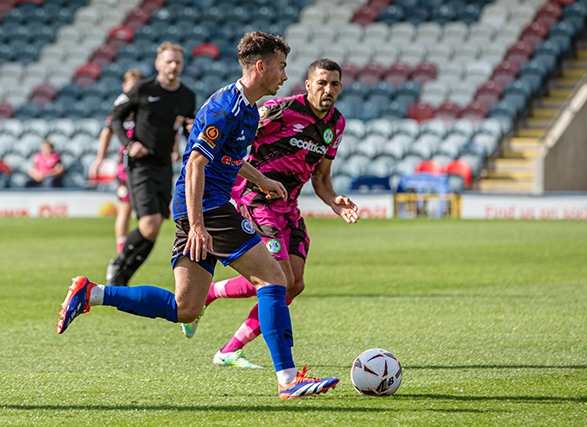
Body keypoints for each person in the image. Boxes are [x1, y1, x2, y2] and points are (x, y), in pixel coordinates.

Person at [56, 30, 340, 400]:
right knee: (274, 279)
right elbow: (194, 165)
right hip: (207, 206)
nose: (284, 76)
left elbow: (230, 159)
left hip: (201, 207)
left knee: (185, 308)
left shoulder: (250, 111)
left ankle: (92, 293)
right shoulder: (225, 106)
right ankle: (288, 380)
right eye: (281, 67)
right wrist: (199, 225)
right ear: (261, 66)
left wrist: (262, 179)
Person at [180, 59, 360, 370]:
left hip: (288, 206)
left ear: (340, 88)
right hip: (257, 199)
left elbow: (321, 177)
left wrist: (333, 201)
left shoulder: (336, 125)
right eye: (321, 83)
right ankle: (209, 298)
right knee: (278, 277)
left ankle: (229, 349)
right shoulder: (280, 110)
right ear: (308, 85)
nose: (327, 89)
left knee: (295, 284)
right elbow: (232, 136)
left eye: (333, 84)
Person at [106, 42, 196, 285]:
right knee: (149, 223)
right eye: (169, 61)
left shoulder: (187, 96)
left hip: (165, 166)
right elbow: (116, 116)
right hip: (140, 165)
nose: (173, 65)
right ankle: (119, 262)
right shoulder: (142, 89)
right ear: (158, 64)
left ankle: (122, 277)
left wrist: (191, 131)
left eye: (177, 61)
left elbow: (187, 129)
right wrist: (129, 143)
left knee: (154, 228)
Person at [90, 69, 145, 253]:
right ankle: (122, 248)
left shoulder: (146, 106)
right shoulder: (120, 106)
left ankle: (136, 246)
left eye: (137, 84)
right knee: (125, 206)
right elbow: (107, 131)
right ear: (124, 86)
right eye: (131, 84)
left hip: (147, 164)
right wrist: (100, 159)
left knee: (144, 210)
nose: (133, 88)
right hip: (126, 164)